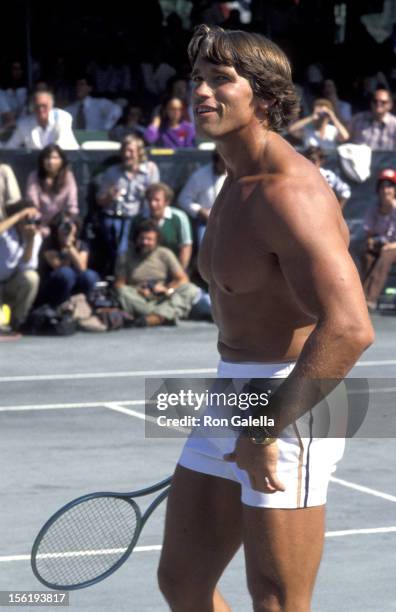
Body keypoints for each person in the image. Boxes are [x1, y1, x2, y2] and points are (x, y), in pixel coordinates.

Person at [157, 25, 374, 612]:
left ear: (267, 99)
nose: (201, 92)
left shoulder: (289, 190)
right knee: (183, 581)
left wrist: (265, 427)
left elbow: (351, 327)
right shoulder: (234, 180)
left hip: (296, 395)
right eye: (197, 79)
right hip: (234, 388)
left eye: (221, 80)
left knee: (276, 598)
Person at [115, 220, 200, 327]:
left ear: (156, 241)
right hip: (138, 298)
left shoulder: (164, 254)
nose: (145, 242)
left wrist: (167, 289)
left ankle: (153, 318)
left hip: (161, 297)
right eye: (142, 238)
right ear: (136, 239)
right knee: (122, 292)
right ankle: (162, 316)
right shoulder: (126, 256)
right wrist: (140, 290)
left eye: (149, 239)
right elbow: (119, 284)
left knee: (190, 289)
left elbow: (182, 279)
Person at [96, 134, 160, 274]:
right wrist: (110, 195)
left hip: (140, 217)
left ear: (139, 153)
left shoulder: (150, 169)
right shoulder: (112, 172)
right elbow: (100, 201)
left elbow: (156, 196)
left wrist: (145, 193)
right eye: (124, 151)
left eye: (130, 151)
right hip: (115, 216)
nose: (127, 154)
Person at [37, 213, 99, 308]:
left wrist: (70, 246)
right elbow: (58, 266)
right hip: (54, 284)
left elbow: (82, 267)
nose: (67, 227)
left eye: (70, 224)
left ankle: (83, 305)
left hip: (75, 282)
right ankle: (56, 306)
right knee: (66, 273)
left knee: (89, 276)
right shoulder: (49, 243)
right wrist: (64, 244)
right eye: (64, 224)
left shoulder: (80, 244)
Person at [0, 201, 41, 334]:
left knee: (31, 278)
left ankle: (17, 321)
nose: (31, 221)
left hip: (11, 285)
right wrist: (18, 216)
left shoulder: (35, 236)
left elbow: (27, 265)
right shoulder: (6, 232)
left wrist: (30, 241)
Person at [134, 182, 193, 269]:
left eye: (157, 200)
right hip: (143, 268)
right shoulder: (138, 219)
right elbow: (131, 246)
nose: (152, 204)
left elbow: (186, 246)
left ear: (167, 202)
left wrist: (180, 271)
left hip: (172, 268)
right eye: (149, 200)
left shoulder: (179, 218)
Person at [25, 144, 79, 236]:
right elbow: (32, 204)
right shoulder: (34, 176)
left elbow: (72, 205)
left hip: (62, 224)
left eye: (55, 158)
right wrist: (41, 226)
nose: (50, 162)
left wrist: (66, 222)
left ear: (62, 160)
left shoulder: (68, 176)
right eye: (47, 158)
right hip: (40, 225)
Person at [363, 168, 396, 310]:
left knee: (385, 256)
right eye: (382, 187)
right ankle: (360, 297)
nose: (385, 190)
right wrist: (370, 242)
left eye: (389, 187)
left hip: (393, 248)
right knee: (367, 256)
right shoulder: (373, 208)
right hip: (381, 246)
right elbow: (368, 233)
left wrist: (390, 246)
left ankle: (369, 299)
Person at [178, 149, 227, 243]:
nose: (226, 166)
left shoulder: (234, 173)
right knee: (205, 246)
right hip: (206, 223)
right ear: (216, 161)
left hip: (229, 220)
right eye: (223, 162)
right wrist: (199, 211)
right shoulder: (199, 176)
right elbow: (183, 199)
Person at [4, 90, 79, 150]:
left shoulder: (63, 117)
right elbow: (11, 146)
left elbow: (61, 146)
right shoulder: (24, 124)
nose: (41, 109)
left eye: (44, 106)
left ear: (51, 106)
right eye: (37, 106)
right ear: (32, 107)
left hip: (66, 161)